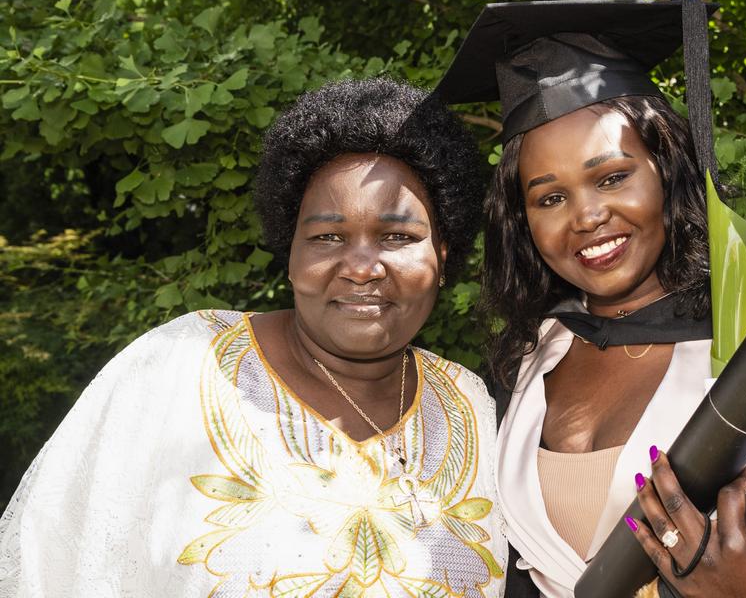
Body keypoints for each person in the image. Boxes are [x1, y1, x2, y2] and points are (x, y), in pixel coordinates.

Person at [0, 78, 506, 598]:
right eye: (327, 237)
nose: (361, 268)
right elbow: (51, 568)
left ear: (443, 256)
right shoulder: (179, 365)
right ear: (290, 253)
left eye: (397, 237)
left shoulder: (470, 404)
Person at [437, 0, 746, 598]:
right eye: (549, 198)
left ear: (669, 169)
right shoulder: (522, 368)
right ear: (520, 220)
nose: (587, 216)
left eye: (611, 177)